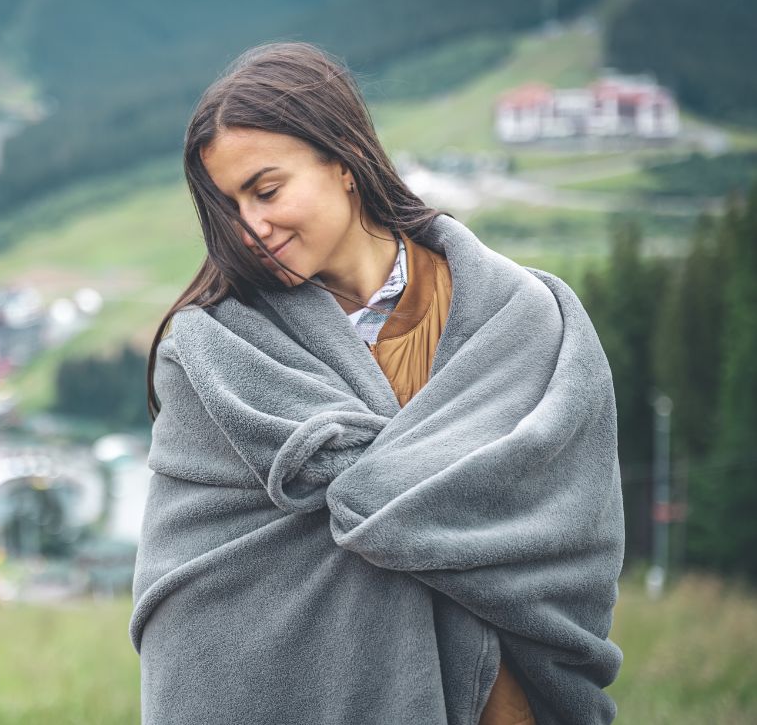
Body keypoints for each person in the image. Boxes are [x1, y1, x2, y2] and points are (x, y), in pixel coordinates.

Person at [130, 42, 624, 725]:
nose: (250, 228)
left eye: (266, 190)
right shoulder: (213, 357)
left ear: (342, 161)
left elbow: (571, 531)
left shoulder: (520, 321)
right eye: (229, 208)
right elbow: (192, 605)